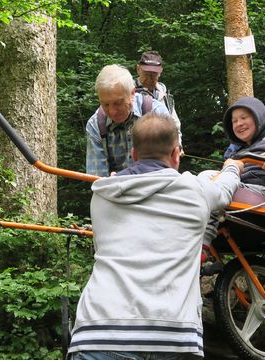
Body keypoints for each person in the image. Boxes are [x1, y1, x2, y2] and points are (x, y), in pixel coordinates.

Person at [69, 112, 243, 359]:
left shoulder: (102, 195)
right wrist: (233, 167)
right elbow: (225, 190)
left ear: (134, 155)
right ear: (175, 154)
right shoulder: (196, 190)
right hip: (172, 336)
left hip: (98, 332)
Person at [85, 64, 175, 177]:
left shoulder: (156, 113)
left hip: (156, 188)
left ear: (132, 93)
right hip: (116, 193)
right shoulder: (95, 125)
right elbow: (97, 180)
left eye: (118, 103)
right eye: (105, 104)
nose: (112, 111)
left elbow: (170, 170)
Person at [135, 50, 182, 143]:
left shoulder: (164, 95)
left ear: (160, 72)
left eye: (154, 75)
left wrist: (177, 144)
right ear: (138, 69)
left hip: (161, 149)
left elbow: (174, 124)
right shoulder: (128, 92)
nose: (149, 78)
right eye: (146, 74)